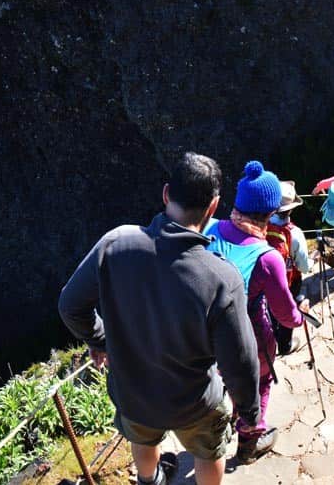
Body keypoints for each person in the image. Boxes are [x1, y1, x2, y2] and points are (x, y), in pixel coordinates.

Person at [58, 152, 261, 485]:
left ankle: (149, 480)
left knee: (143, 437)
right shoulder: (221, 277)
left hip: (133, 393)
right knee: (210, 452)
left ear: (166, 194)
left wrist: (101, 340)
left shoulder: (115, 244)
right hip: (195, 402)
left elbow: (70, 306)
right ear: (214, 207)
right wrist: (249, 411)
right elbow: (240, 359)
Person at [205, 161, 310, 463]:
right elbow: (285, 315)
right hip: (249, 337)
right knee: (258, 383)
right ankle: (249, 441)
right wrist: (300, 316)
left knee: (224, 377)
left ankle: (227, 418)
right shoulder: (267, 258)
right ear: (270, 211)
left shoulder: (210, 229)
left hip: (207, 335)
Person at [265, 181, 312, 354]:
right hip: (288, 281)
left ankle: (270, 339)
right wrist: (312, 262)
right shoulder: (294, 233)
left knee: (268, 308)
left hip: (263, 280)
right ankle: (285, 345)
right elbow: (303, 266)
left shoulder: (259, 226)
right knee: (287, 309)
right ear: (291, 209)